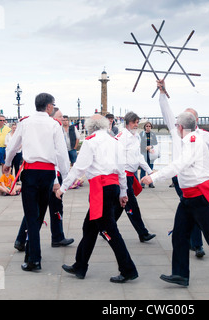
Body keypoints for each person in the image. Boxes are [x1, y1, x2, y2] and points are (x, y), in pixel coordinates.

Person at [141, 112, 209, 287]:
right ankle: (180, 274)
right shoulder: (190, 140)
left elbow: (180, 165)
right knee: (179, 235)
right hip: (188, 198)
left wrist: (154, 177)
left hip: (200, 197)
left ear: (180, 127)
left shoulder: (193, 141)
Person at [157, 79, 209, 259]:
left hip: (199, 186)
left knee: (204, 223)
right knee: (186, 222)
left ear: (195, 121)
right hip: (182, 181)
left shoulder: (202, 137)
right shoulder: (176, 131)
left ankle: (199, 246)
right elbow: (167, 112)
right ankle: (183, 266)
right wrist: (163, 93)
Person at [58, 114, 138, 283]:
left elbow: (79, 168)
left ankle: (128, 269)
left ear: (90, 127)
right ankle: (80, 265)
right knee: (89, 227)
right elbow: (121, 170)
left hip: (100, 189)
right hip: (112, 186)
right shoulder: (115, 141)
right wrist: (123, 192)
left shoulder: (90, 140)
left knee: (109, 231)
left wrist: (63, 187)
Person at [4, 93, 70, 272]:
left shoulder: (25, 122)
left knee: (33, 216)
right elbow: (61, 154)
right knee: (38, 216)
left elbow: (12, 146)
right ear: (49, 107)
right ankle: (32, 256)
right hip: (48, 173)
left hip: (31, 172)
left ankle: (33, 258)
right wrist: (66, 178)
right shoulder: (54, 124)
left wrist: (7, 164)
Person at [14, 107, 74, 251]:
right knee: (46, 209)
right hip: (51, 175)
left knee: (38, 209)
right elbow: (54, 157)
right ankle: (51, 238)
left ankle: (23, 239)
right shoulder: (52, 130)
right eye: (60, 117)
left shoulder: (53, 129)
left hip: (49, 174)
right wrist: (57, 181)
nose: (62, 120)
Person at [114, 112, 156, 243]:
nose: (136, 125)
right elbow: (117, 157)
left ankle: (105, 228)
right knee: (132, 205)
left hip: (131, 176)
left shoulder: (136, 136)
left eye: (137, 122)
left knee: (120, 206)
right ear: (127, 123)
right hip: (124, 176)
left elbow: (139, 158)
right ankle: (143, 233)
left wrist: (150, 171)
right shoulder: (121, 137)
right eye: (134, 122)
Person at [139, 121, 158, 188]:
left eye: (149, 126)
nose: (148, 127)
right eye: (147, 126)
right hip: (144, 152)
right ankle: (142, 183)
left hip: (151, 153)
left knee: (150, 168)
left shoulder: (153, 134)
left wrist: (151, 147)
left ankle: (151, 183)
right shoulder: (142, 134)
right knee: (143, 168)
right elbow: (140, 143)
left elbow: (155, 143)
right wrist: (146, 147)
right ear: (145, 127)